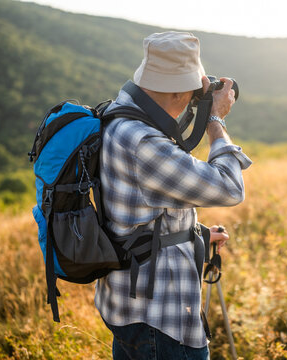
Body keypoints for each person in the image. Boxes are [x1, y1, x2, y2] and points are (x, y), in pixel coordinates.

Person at [94, 31, 252, 360]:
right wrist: (215, 120)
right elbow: (230, 188)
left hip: (129, 305)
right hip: (159, 319)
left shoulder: (121, 114)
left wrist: (194, 233)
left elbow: (141, 203)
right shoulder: (144, 141)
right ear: (179, 89)